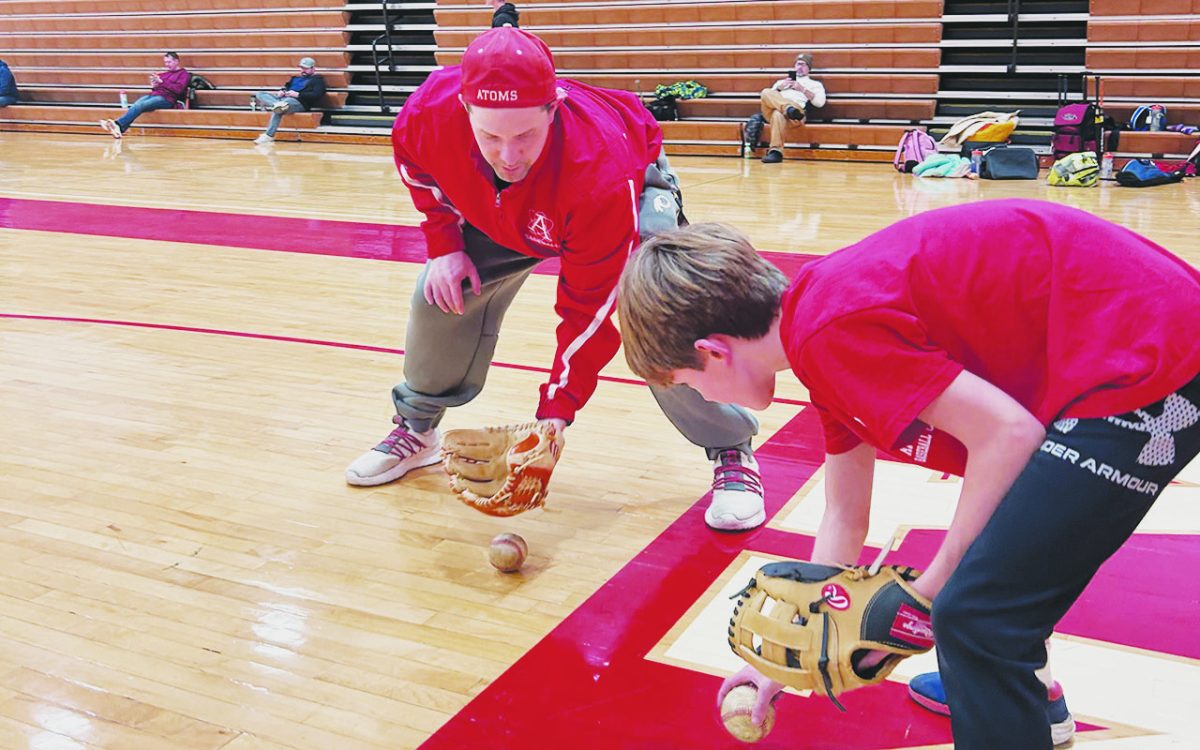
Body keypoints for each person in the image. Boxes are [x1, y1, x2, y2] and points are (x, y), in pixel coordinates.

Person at [615, 201, 1200, 750]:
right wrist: (782, 658)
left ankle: (997, 667)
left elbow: (1009, 436)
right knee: (993, 567)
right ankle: (1029, 692)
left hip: (1155, 359)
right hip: (1138, 338)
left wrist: (927, 596)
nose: (703, 396)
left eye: (688, 384)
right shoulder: (818, 328)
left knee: (973, 617)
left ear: (711, 352)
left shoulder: (828, 336)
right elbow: (845, 513)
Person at [344, 26, 767, 531]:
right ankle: (418, 431)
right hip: (505, 209)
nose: (508, 155)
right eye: (491, 137)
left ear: (554, 106)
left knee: (660, 312)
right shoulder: (426, 114)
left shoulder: (600, 172)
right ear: (463, 108)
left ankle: (730, 449)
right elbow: (416, 169)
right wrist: (445, 246)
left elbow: (591, 312)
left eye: (525, 134)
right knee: (439, 294)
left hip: (614, 195)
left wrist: (554, 417)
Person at [743, 53, 826, 164]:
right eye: (798, 64)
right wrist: (779, 88)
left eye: (803, 65)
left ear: (809, 68)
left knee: (778, 114)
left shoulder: (814, 84)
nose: (800, 67)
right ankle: (787, 109)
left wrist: (802, 89)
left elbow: (819, 103)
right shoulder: (781, 83)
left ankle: (775, 152)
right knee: (766, 92)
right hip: (775, 110)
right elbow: (767, 99)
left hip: (797, 114)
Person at [100, 52, 190, 139]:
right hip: (155, 95)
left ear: (176, 61)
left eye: (169, 62)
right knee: (136, 105)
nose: (167, 64)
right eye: (165, 62)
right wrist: (154, 85)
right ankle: (120, 128)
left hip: (168, 99)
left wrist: (162, 82)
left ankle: (118, 124)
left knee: (140, 105)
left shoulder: (184, 74)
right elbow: (157, 88)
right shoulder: (163, 74)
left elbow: (178, 90)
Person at [253, 56, 327, 145]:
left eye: (306, 68)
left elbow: (317, 95)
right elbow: (286, 87)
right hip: (284, 99)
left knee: (279, 109)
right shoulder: (295, 78)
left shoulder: (318, 81)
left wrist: (298, 95)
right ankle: (278, 104)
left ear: (313, 69)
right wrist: (282, 91)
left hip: (299, 102)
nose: (303, 70)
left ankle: (269, 135)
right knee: (260, 93)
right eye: (302, 68)